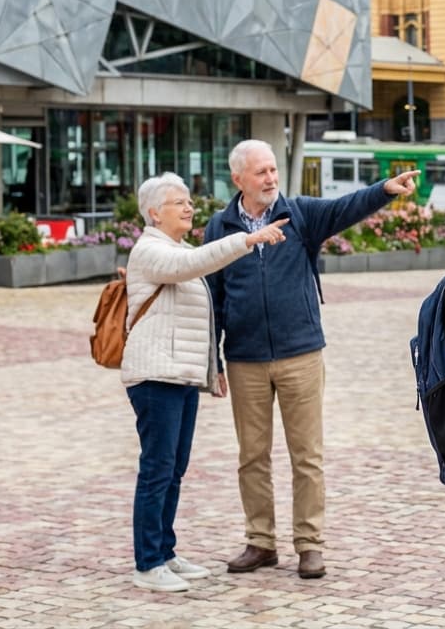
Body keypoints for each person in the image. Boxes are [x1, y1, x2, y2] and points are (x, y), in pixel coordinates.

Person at [204, 140, 418, 580]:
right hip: (244, 359)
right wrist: (215, 360)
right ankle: (260, 542)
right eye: (260, 172)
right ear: (238, 178)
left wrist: (384, 189)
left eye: (273, 170)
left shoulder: (300, 213)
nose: (270, 179)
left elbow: (346, 207)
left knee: (307, 456)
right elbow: (214, 297)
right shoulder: (219, 227)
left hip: (300, 352)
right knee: (252, 456)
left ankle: (310, 545)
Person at [122, 172, 290, 593]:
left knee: (173, 469)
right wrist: (247, 241)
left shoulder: (176, 248)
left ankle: (165, 552)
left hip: (179, 376)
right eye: (178, 202)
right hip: (154, 376)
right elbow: (190, 267)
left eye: (188, 201)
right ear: (154, 212)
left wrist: (209, 368)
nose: (188, 207)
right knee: (157, 469)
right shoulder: (151, 250)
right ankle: (147, 563)